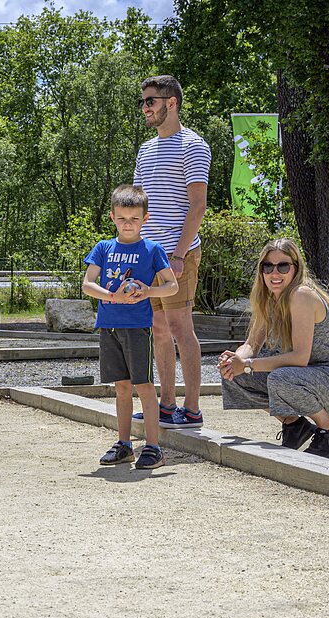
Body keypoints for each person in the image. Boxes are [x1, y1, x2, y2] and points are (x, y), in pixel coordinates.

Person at [217, 238, 329, 458]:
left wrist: (246, 365)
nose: (275, 273)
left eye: (283, 266)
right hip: (303, 377)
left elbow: (300, 358)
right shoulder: (267, 299)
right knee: (234, 376)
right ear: (261, 270)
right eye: (268, 266)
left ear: (295, 268)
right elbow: (251, 345)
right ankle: (294, 425)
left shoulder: (301, 295)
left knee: (279, 377)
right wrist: (234, 361)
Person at [81, 185, 179, 470]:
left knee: (144, 386)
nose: (128, 224)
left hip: (138, 328)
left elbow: (171, 286)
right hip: (109, 326)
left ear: (144, 219)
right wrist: (114, 297)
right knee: (121, 387)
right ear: (112, 217)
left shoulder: (152, 249)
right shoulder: (103, 247)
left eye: (134, 219)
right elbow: (88, 285)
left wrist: (148, 292)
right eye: (122, 218)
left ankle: (153, 448)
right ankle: (124, 445)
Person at [133, 74, 211, 429]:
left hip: (178, 254)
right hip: (148, 254)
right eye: (143, 102)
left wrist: (179, 255)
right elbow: (137, 203)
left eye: (151, 101)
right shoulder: (146, 149)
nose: (145, 107)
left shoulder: (193, 145)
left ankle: (191, 408)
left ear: (172, 103)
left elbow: (198, 206)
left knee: (181, 327)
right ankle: (166, 404)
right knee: (158, 329)